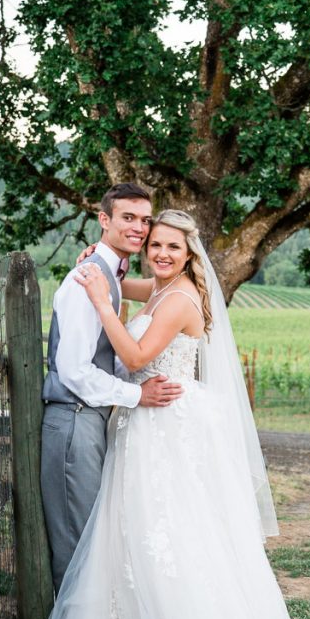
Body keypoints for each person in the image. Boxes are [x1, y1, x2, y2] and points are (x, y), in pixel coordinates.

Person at [45, 210, 310, 619]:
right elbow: (132, 280)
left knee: (169, 534)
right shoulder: (165, 283)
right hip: (146, 425)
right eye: (155, 244)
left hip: (165, 424)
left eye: (173, 247)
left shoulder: (180, 298)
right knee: (143, 535)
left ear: (192, 254)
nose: (162, 254)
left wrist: (103, 302)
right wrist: (104, 268)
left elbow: (136, 353)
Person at [41, 183, 183, 593]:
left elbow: (109, 356)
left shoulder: (111, 277)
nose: (138, 228)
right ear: (104, 220)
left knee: (91, 538)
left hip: (91, 420)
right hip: (74, 420)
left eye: (144, 220)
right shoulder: (89, 280)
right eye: (128, 218)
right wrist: (138, 395)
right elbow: (73, 370)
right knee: (76, 540)